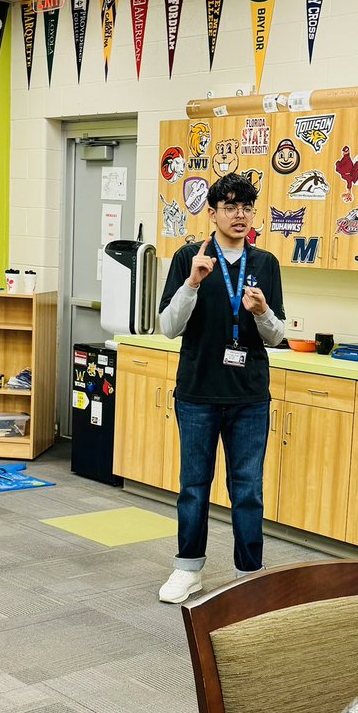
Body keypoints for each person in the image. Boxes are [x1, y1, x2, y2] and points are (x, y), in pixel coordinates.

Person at [156, 173, 286, 604]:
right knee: (194, 485)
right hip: (197, 392)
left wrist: (264, 311)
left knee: (247, 489)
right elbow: (168, 328)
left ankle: (250, 572)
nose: (240, 215)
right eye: (230, 207)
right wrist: (192, 283)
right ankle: (187, 569)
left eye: (246, 208)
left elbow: (275, 336)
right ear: (211, 213)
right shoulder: (187, 258)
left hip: (249, 395)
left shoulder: (265, 262)